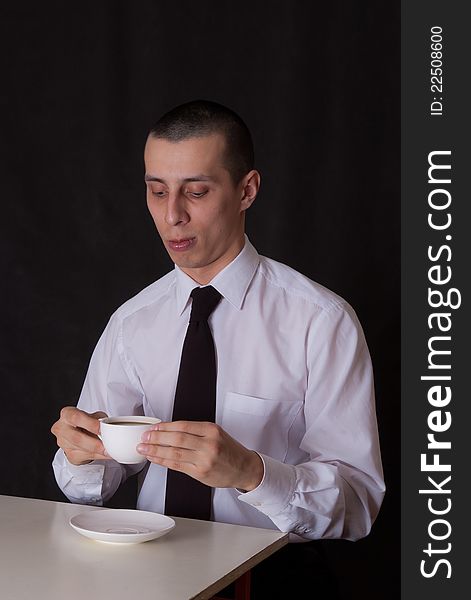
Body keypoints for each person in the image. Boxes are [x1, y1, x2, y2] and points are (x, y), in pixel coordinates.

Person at [51, 99, 385, 597]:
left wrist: (252, 473)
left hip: (275, 580)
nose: (172, 215)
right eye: (156, 191)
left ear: (246, 190)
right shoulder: (132, 321)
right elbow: (88, 487)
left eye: (197, 192)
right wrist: (81, 455)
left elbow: (358, 506)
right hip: (146, 577)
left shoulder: (322, 322)